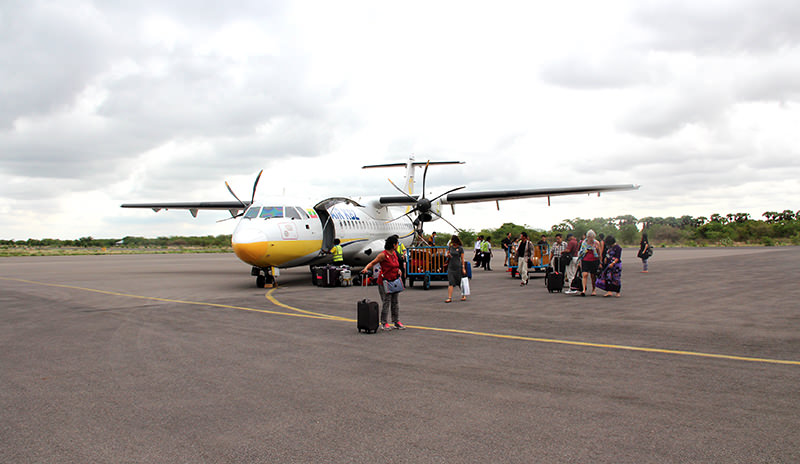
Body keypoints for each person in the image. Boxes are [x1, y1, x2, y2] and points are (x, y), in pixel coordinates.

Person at [361, 236, 405, 331]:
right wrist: (366, 268)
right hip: (384, 282)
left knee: (395, 302)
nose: (398, 245)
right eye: (397, 243)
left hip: (394, 281)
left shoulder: (395, 254)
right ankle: (384, 322)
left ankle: (396, 321)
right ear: (393, 245)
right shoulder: (383, 255)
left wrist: (398, 270)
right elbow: (373, 262)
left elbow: (396, 265)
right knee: (386, 301)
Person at [577, 229, 602, 296]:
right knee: (584, 274)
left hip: (594, 260)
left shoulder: (596, 243)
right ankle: (584, 289)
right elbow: (581, 252)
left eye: (592, 237)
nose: (591, 239)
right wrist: (579, 261)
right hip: (585, 260)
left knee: (593, 276)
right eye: (590, 237)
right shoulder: (584, 243)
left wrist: (600, 262)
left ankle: (593, 289)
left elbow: (599, 253)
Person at [444, 235, 468, 302]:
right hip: (451, 266)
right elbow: (446, 254)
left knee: (459, 282)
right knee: (451, 282)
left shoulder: (460, 248)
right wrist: (448, 256)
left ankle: (463, 295)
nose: (452, 243)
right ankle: (449, 297)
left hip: (458, 266)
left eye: (453, 241)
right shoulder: (450, 247)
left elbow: (462, 259)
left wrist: (463, 268)